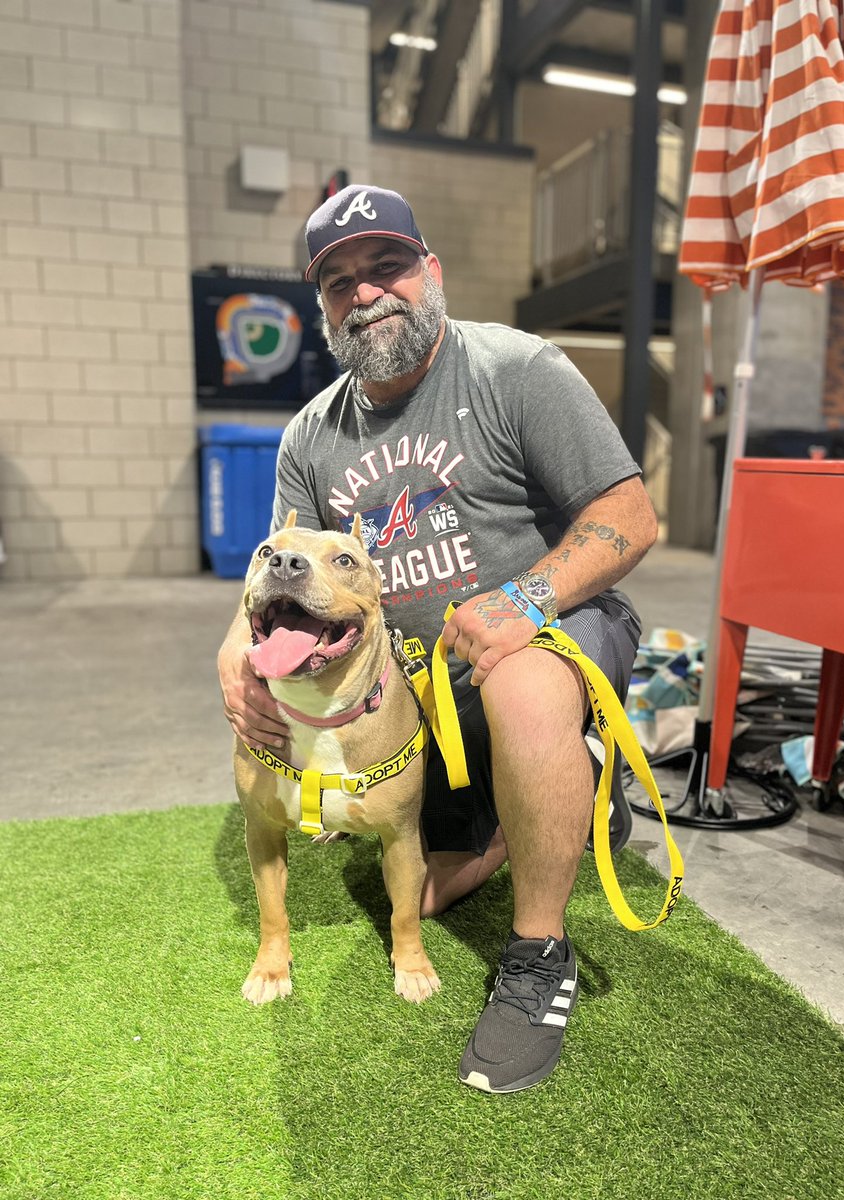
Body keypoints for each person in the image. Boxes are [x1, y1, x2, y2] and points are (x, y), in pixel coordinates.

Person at [218, 183, 658, 1094]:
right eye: (339, 282)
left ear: (432, 273)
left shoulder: (516, 369)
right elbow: (280, 566)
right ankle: (538, 818)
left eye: (388, 267)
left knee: (522, 681)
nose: (366, 292)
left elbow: (631, 514)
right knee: (404, 894)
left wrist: (525, 600)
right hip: (419, 687)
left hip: (543, 630)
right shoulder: (310, 434)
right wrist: (237, 657)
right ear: (323, 308)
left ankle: (539, 956)